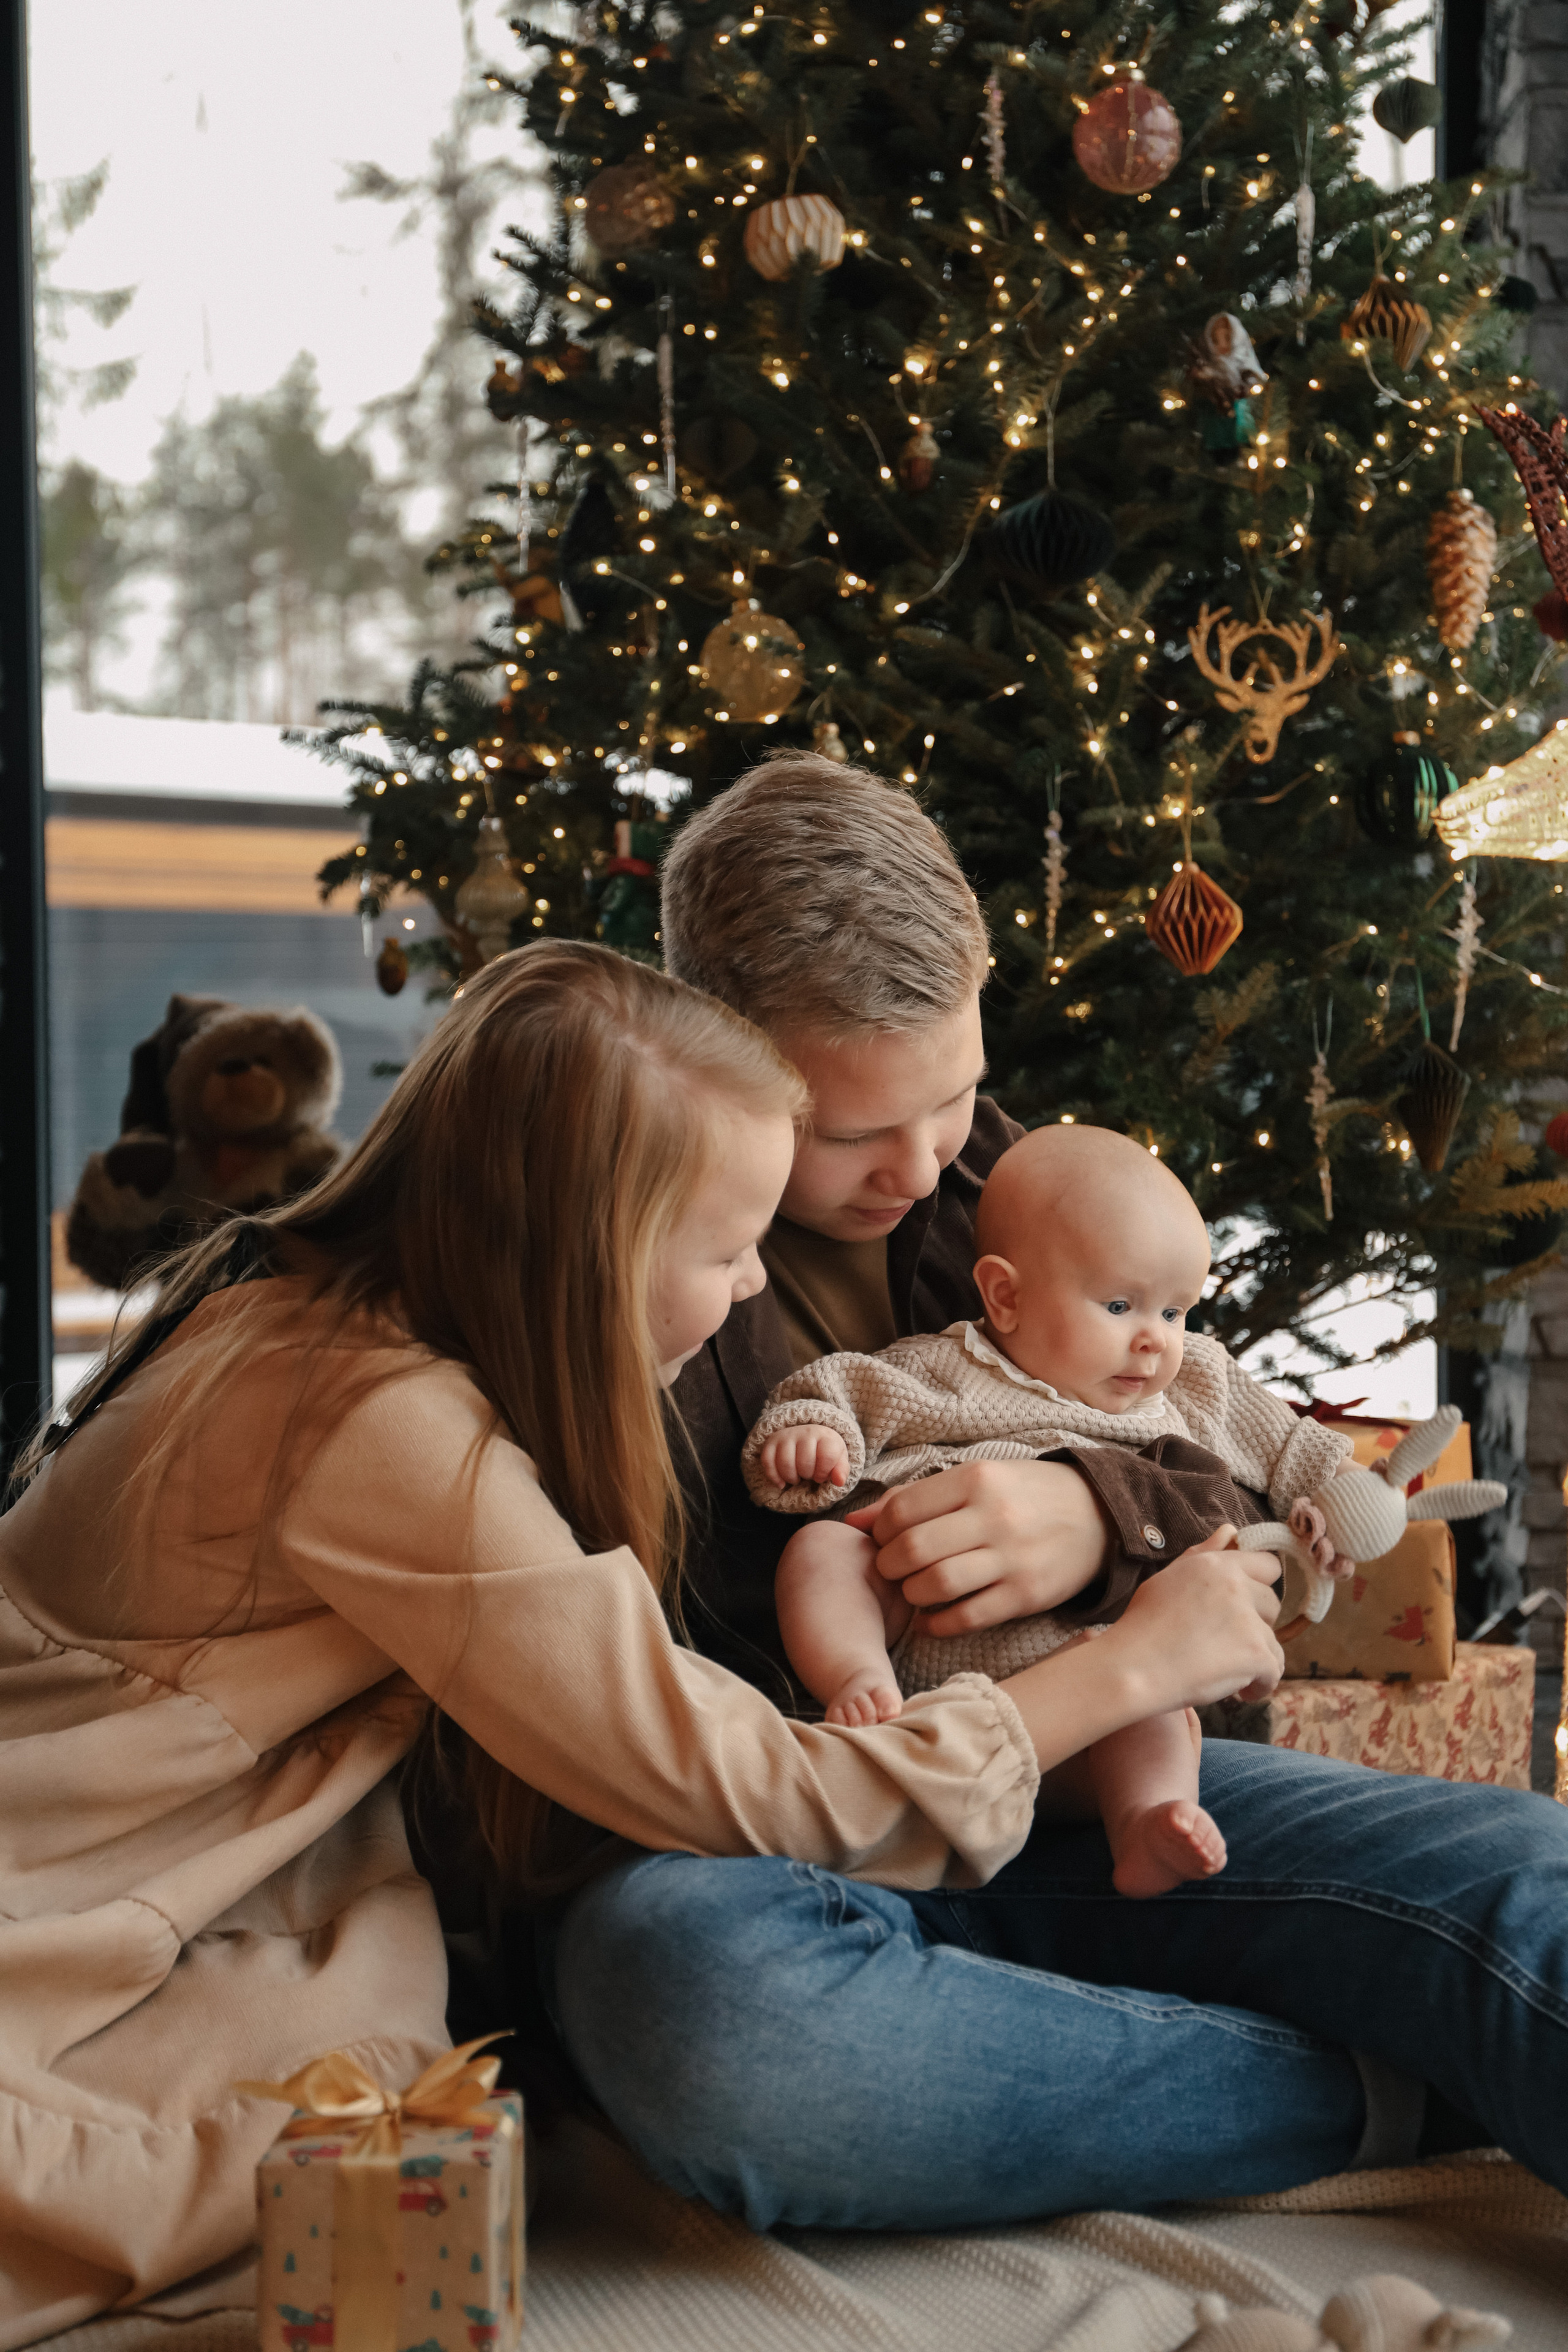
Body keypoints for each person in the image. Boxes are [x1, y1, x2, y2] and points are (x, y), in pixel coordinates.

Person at [0, 940, 1285, 2348]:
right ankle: (1331, 2094)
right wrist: (1124, 1668)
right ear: (589, 1253)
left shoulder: (318, 1322)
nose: (749, 1294)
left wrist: (1089, 1524)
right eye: (726, 1250)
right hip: (80, 1912)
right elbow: (739, 1783)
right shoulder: (378, 1427)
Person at [536, 751, 1568, 2234]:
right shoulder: (615, 1256)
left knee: (1522, 1872)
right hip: (784, 1853)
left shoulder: (1015, 1190)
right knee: (700, 2014)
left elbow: (1224, 1442)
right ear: (713, 1053)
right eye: (846, 1132)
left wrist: (1094, 1509)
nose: (917, 1161)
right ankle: (1371, 2095)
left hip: (1094, 1795)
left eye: (951, 1092)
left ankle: (1039, 2053)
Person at [747, 1122, 1359, 1897]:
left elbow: (1286, 1450)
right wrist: (814, 1435)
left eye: (1176, 1312)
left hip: (1091, 1681)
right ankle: (855, 1683)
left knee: (1157, 1712)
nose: (1155, 1343)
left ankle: (1148, 1821)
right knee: (825, 1555)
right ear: (1005, 1295)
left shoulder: (1193, 1384)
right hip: (916, 1659)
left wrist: (1336, 1498)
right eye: (1120, 1304)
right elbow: (840, 1392)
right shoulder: (943, 1367)